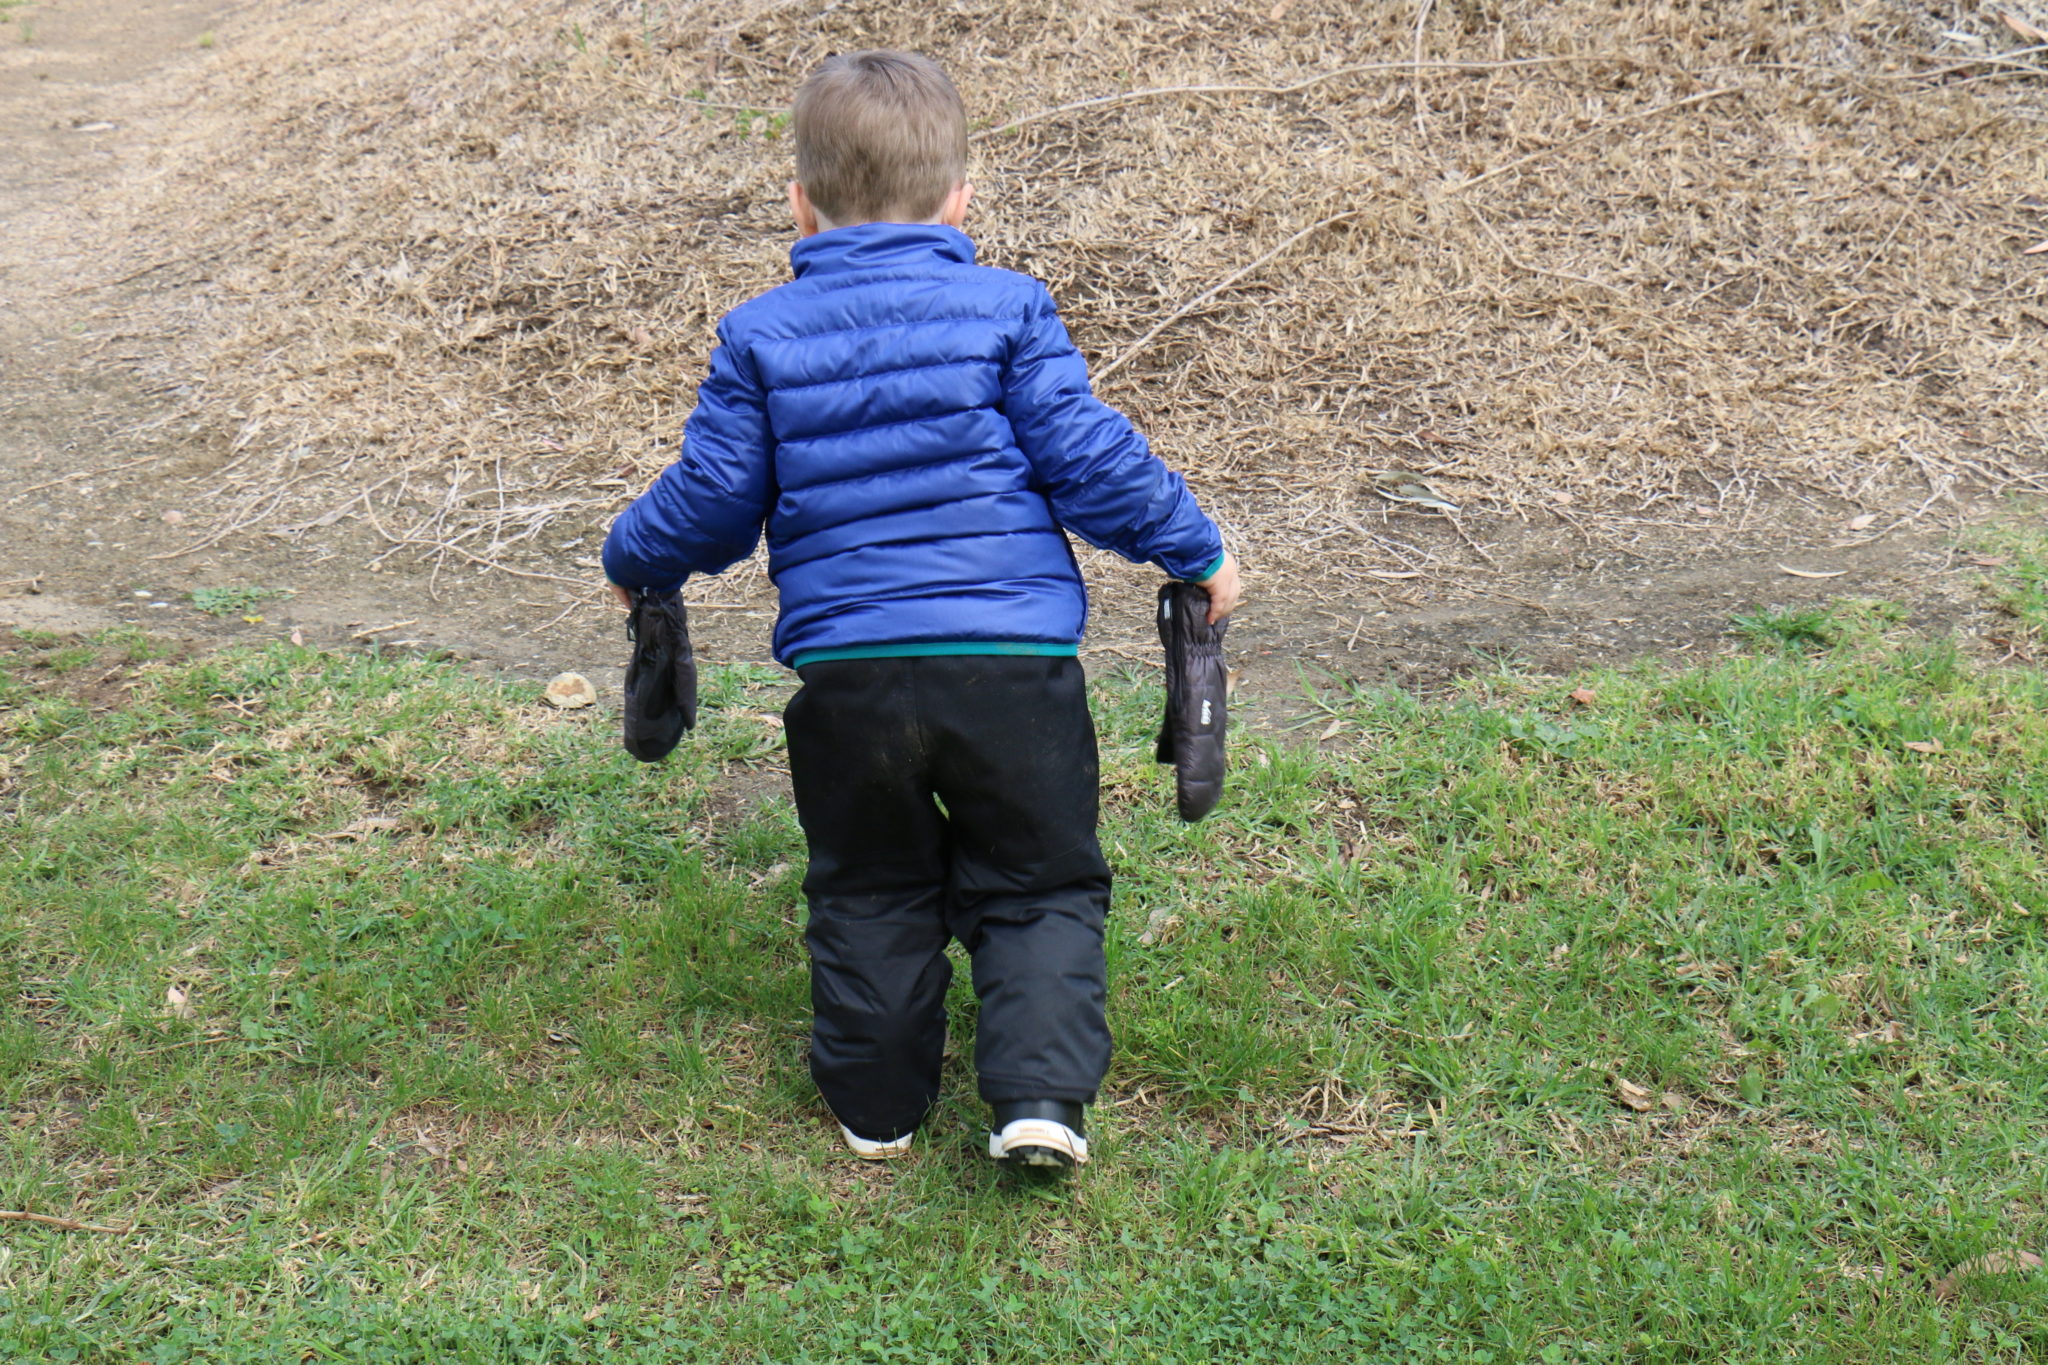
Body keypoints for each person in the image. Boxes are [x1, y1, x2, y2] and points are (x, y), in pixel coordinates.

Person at [602, 49, 1240, 1171]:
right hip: (1013, 671)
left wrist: (631, 556)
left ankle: (877, 1104)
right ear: (961, 199)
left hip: (850, 678)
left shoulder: (760, 335)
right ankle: (1038, 1099)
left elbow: (710, 502)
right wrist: (1193, 546)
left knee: (871, 881)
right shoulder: (1008, 309)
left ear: (797, 203)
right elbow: (1089, 462)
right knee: (1036, 877)